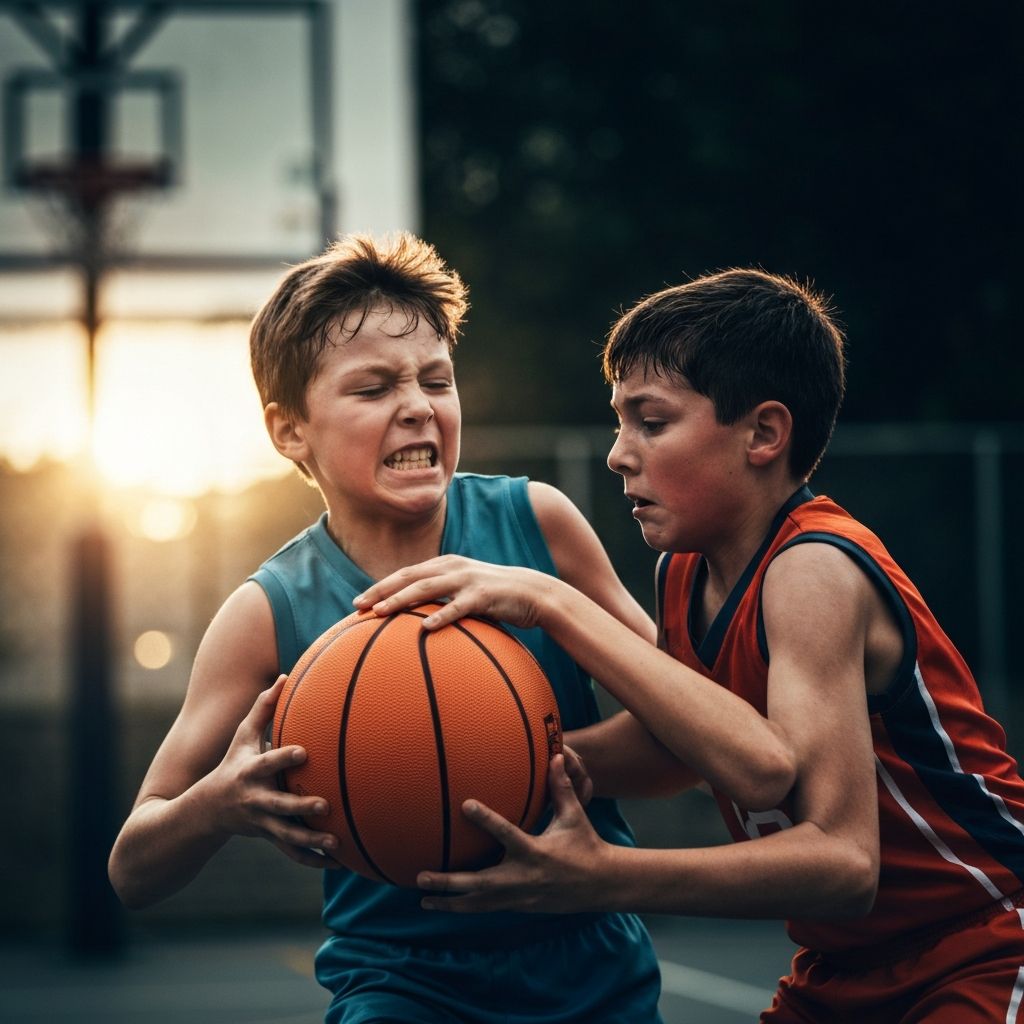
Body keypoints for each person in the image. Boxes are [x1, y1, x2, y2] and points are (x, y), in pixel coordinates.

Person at [354, 267, 1024, 1023]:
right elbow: (678, 749)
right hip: (844, 967)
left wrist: (606, 873)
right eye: (618, 421)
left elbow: (842, 865)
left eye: (651, 421)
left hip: (986, 940)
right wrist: (472, 766)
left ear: (764, 434)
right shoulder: (684, 570)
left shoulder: (814, 569)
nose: (618, 453)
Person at [107, 233, 665, 1023]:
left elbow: (683, 744)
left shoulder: (537, 524)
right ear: (289, 430)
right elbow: (135, 868)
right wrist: (219, 805)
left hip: (591, 962)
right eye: (371, 388)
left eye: (436, 379)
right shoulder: (269, 611)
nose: (416, 404)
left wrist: (503, 762)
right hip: (401, 984)